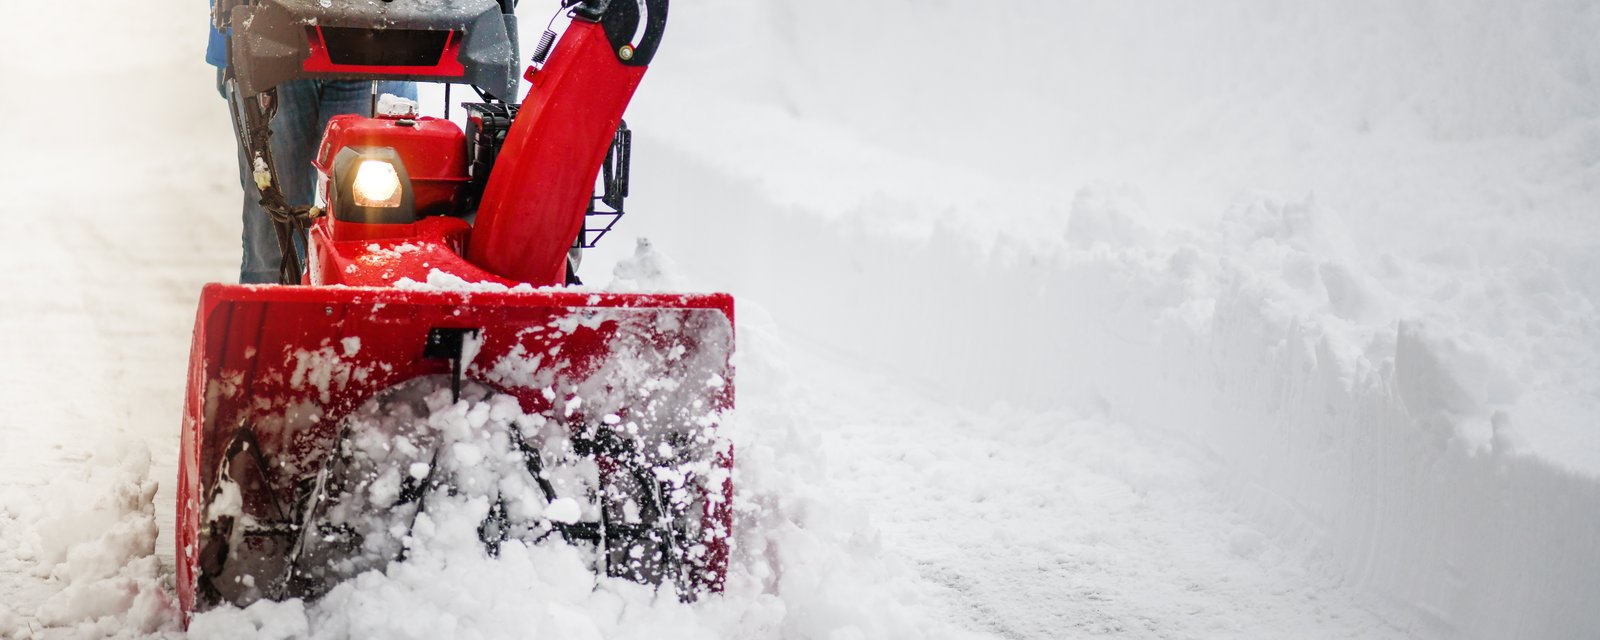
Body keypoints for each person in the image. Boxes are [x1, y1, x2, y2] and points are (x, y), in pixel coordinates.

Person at [208, 8, 416, 284]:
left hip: (382, 36)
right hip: (267, 35)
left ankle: (368, 318)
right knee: (275, 232)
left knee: (373, 226)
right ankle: (272, 315)